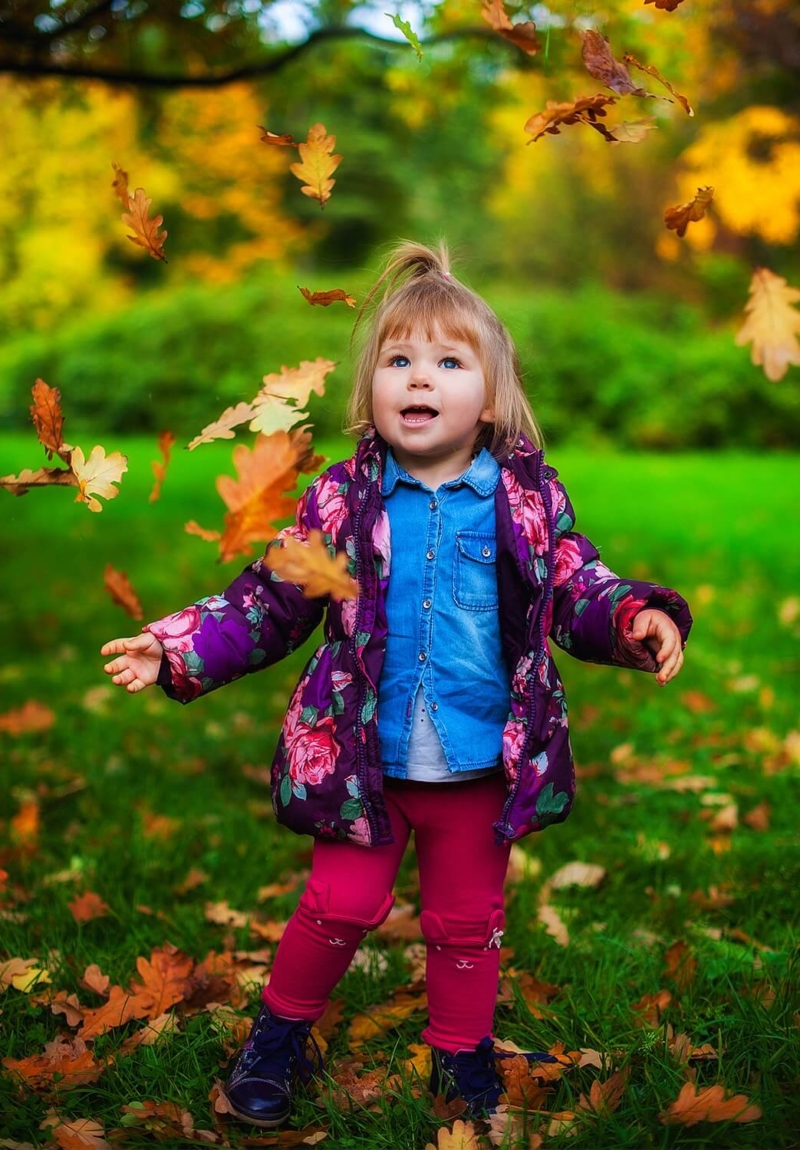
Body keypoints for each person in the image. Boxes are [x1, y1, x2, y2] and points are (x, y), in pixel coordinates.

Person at [100, 240, 692, 1129]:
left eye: (448, 362)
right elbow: (269, 599)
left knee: (465, 921)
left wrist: (635, 617)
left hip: (477, 758)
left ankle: (461, 1059)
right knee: (340, 904)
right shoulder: (340, 501)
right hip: (359, 757)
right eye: (399, 359)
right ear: (371, 387)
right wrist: (176, 647)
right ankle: (278, 1034)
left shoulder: (525, 499)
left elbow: (575, 583)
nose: (420, 377)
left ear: (488, 397)